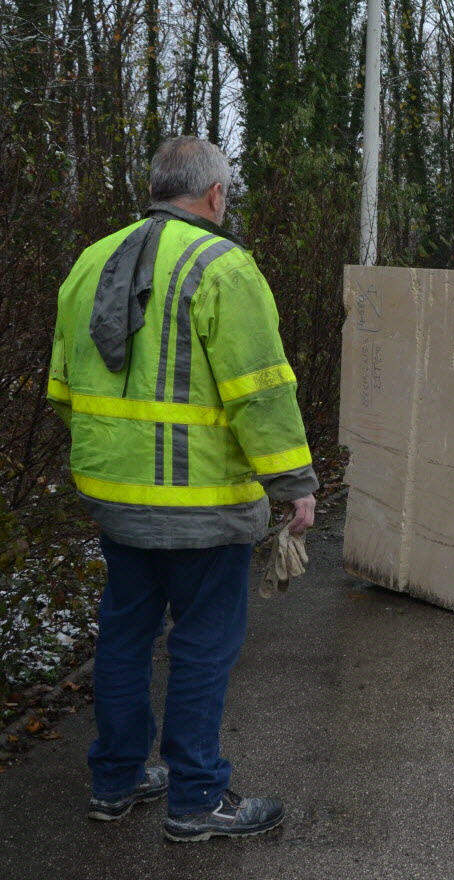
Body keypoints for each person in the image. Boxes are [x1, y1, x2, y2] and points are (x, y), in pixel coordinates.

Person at [46, 136, 317, 841]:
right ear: (215, 195)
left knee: (126, 635)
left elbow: (63, 388)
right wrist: (295, 485)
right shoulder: (222, 266)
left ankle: (116, 780)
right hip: (201, 507)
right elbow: (258, 390)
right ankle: (197, 800)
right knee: (201, 646)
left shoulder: (89, 262)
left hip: (115, 499)